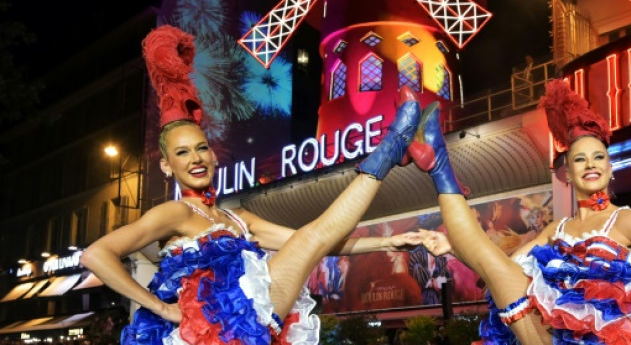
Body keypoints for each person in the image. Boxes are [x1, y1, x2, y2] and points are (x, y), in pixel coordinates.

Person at [80, 25, 429, 345]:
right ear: (166, 166)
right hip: (206, 331)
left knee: (309, 238)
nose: (196, 159)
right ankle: (393, 146)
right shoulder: (174, 212)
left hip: (243, 328)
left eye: (202, 148)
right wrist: (161, 308)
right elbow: (96, 255)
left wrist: (389, 241)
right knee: (311, 235)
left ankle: (393, 147)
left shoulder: (239, 218)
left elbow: (316, 244)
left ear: (214, 156)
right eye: (182, 153)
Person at [412, 80, 631, 345]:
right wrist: (453, 247)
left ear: (610, 168)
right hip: (559, 336)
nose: (590, 164)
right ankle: (439, 167)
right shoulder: (557, 229)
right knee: (506, 277)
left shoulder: (624, 220)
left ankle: (439, 166)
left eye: (598, 157)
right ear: (566, 173)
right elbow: (503, 269)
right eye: (580, 159)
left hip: (614, 337)